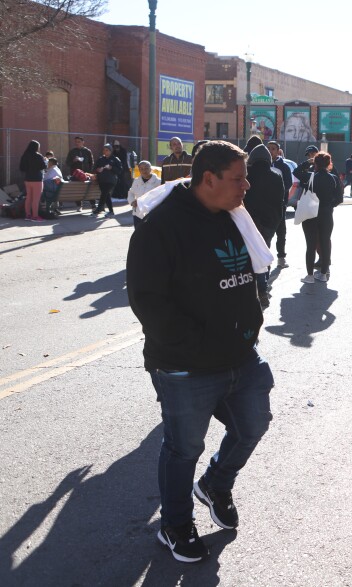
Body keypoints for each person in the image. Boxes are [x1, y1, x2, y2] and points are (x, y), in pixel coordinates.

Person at [127, 140, 274, 564]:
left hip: (241, 356)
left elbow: (251, 270)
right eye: (238, 178)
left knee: (253, 425)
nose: (246, 185)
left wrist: (252, 319)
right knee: (182, 449)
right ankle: (175, 524)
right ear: (208, 179)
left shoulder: (234, 216)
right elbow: (147, 299)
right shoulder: (162, 225)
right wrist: (193, 343)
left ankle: (215, 484)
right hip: (185, 366)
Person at [243, 144, 285, 308]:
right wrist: (275, 221)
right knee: (264, 254)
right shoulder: (276, 176)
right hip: (269, 222)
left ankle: (251, 288)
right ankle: (263, 287)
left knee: (248, 256)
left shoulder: (246, 175)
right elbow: (281, 202)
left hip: (248, 221)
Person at [292, 150, 342, 283]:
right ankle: (324, 274)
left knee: (311, 245)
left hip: (310, 214)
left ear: (315, 163)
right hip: (326, 214)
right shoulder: (334, 178)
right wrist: (329, 205)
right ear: (329, 163)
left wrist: (307, 162)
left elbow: (296, 172)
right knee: (325, 242)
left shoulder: (310, 176)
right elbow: (339, 199)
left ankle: (309, 276)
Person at [266, 141, 294, 266]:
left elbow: (288, 184)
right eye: (268, 148)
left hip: (280, 204)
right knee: (265, 232)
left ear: (278, 151)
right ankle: (265, 258)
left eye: (273, 149)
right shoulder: (263, 164)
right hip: (265, 204)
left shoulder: (284, 167)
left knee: (281, 232)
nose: (270, 150)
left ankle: (281, 257)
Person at [128, 160, 161, 230]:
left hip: (151, 213)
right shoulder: (136, 181)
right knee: (138, 234)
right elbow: (131, 192)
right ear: (139, 170)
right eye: (141, 169)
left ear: (151, 169)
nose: (144, 171)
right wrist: (132, 202)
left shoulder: (158, 182)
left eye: (146, 168)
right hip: (137, 213)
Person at [19, 140, 47, 221]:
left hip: (27, 179)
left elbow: (21, 168)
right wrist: (45, 160)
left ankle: (28, 215)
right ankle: (35, 216)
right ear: (36, 147)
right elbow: (43, 166)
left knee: (29, 198)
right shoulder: (38, 156)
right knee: (36, 199)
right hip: (37, 179)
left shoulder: (25, 155)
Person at [92, 144, 122, 217]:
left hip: (111, 180)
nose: (105, 152)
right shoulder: (101, 159)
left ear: (110, 151)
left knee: (104, 193)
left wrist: (111, 168)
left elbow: (119, 170)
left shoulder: (115, 159)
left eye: (107, 150)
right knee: (106, 194)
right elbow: (94, 168)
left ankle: (98, 209)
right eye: (104, 150)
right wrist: (97, 170)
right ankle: (111, 211)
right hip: (102, 180)